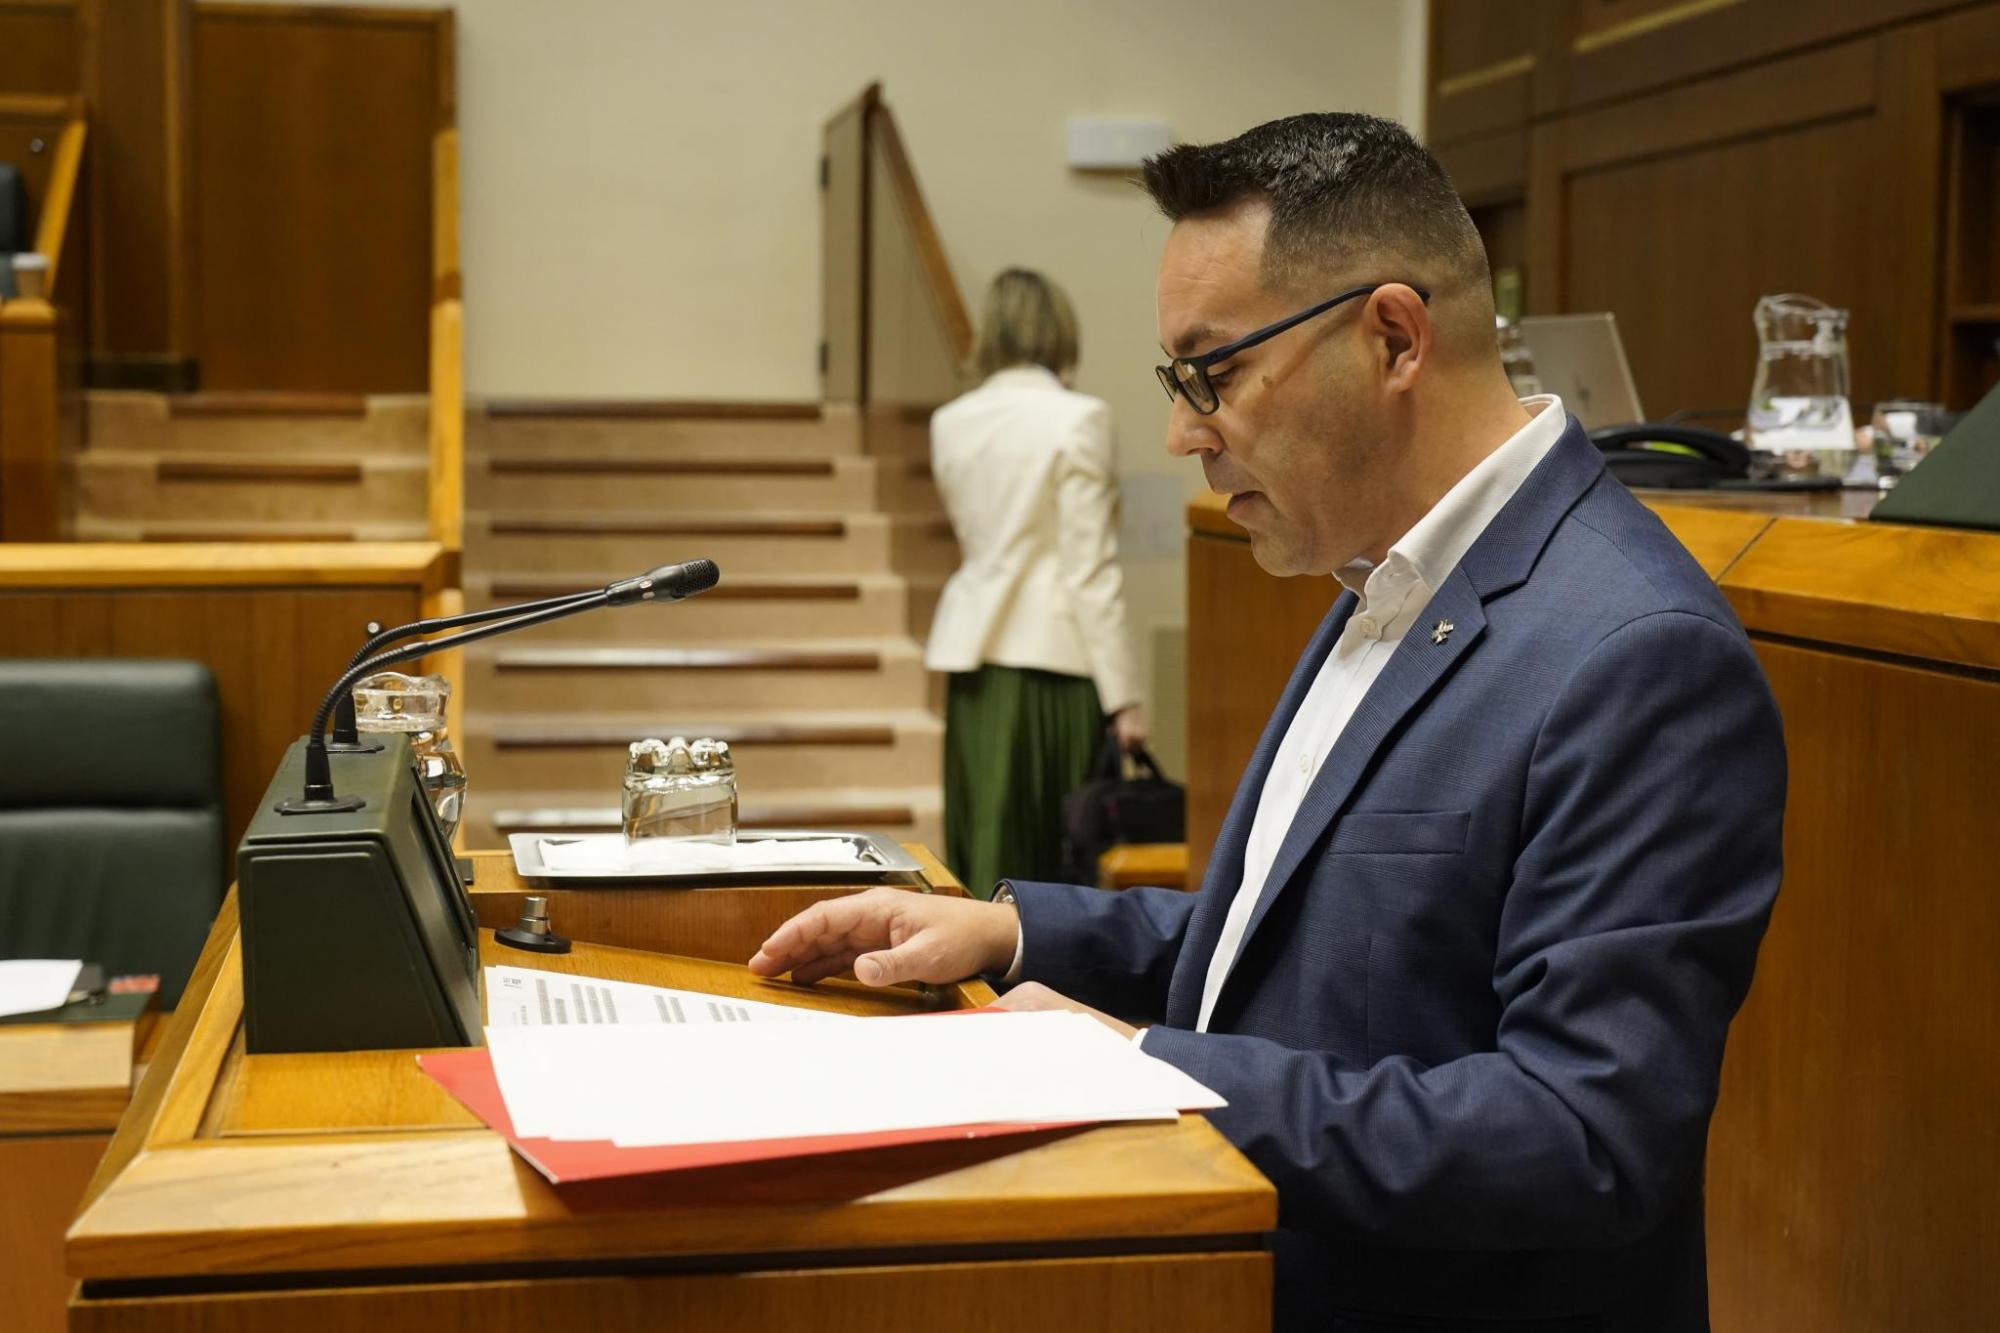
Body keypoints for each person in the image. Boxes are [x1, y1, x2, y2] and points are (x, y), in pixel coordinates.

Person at [752, 113, 1784, 1333]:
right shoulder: (1388, 570)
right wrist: (1009, 932)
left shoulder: (1636, 653)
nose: (1185, 431)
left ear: (1392, 336)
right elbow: (1310, 937)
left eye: (1213, 372)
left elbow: (1580, 1136)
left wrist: (1137, 1067)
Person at [922, 268, 1148, 897]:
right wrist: (1125, 696)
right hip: (1056, 660)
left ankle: (971, 980)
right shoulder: (1080, 418)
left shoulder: (953, 421)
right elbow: (1088, 568)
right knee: (1049, 858)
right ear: (1059, 332)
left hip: (974, 661)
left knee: (985, 838)